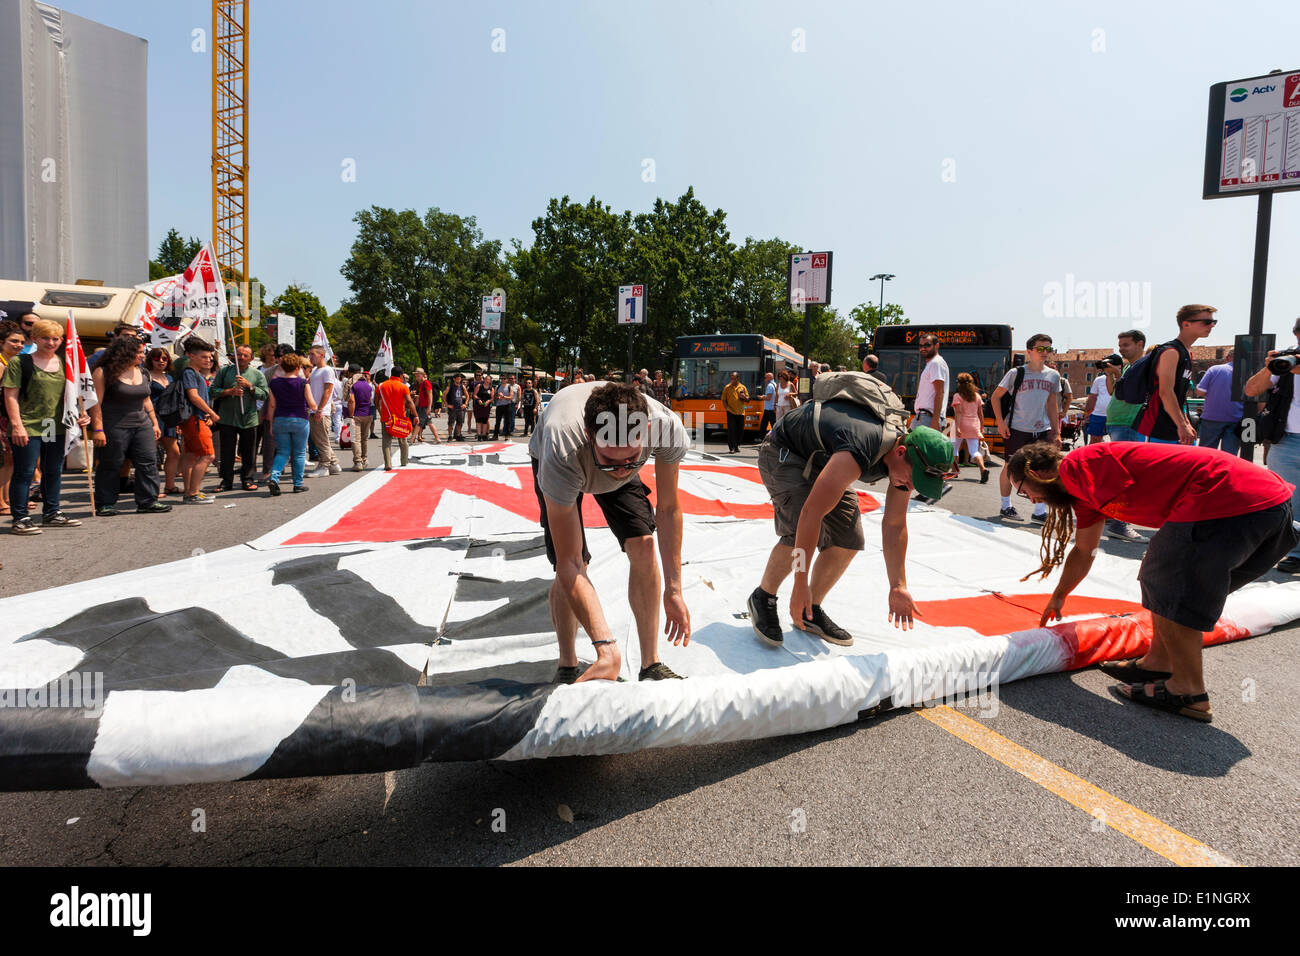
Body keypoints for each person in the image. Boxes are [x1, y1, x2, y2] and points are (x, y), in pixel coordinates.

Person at [1011, 441, 1297, 722]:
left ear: (1037, 473)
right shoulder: (1081, 490)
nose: (1032, 500)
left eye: (1024, 492)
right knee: (1166, 579)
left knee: (1171, 582)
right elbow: (1085, 549)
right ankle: (1158, 662)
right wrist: (1060, 595)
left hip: (1230, 499)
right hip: (1268, 506)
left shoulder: (1079, 466)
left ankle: (1188, 691)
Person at [747, 374, 953, 647]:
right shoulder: (862, 444)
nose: (909, 486)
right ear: (901, 451)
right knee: (799, 528)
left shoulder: (903, 466)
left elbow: (894, 525)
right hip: (785, 452)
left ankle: (811, 610)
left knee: (849, 538)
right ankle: (763, 597)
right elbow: (811, 514)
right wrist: (800, 583)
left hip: (826, 459)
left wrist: (898, 585)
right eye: (912, 479)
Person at [529, 381, 691, 683]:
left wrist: (675, 589)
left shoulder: (665, 427)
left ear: (645, 433)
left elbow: (668, 510)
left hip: (602, 453)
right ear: (591, 437)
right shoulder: (562, 446)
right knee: (576, 565)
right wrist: (606, 647)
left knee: (643, 544)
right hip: (568, 462)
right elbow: (570, 562)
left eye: (632, 459)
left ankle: (651, 664)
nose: (621, 469)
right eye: (612, 461)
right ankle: (568, 663)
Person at [2, 318, 90, 533]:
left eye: (55, 339)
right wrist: (17, 425)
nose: (51, 343)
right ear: (34, 338)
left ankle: (51, 513)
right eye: (45, 338)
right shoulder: (20, 362)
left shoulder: (65, 364)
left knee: (53, 470)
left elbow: (74, 395)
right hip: (29, 425)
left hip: (55, 426)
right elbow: (10, 396)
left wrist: (82, 414)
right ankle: (20, 518)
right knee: (25, 471)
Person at [87, 335, 170, 516]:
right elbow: (95, 404)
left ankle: (148, 501)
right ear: (126, 352)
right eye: (139, 352)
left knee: (148, 462)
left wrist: (154, 423)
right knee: (111, 464)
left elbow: (146, 399)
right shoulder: (103, 372)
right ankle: (105, 503)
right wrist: (98, 429)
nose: (143, 355)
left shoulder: (143, 371)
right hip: (113, 425)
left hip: (142, 424)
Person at [1243, 320, 1300, 572]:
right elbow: (1251, 389)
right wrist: (1270, 368)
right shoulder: (1288, 361)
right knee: (1289, 500)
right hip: (1287, 440)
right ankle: (1295, 553)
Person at [990, 333, 1060, 522]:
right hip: (1018, 428)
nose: (1045, 352)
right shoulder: (1016, 373)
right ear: (1029, 351)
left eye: (1048, 348)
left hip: (1042, 429)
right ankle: (1006, 506)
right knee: (1010, 467)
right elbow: (995, 397)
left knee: (1045, 469)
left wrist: (1056, 431)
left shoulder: (1053, 375)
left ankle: (1039, 511)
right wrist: (1000, 422)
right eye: (1041, 348)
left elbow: (1052, 404)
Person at [1135, 305, 1215, 444]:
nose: (1212, 325)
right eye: (1206, 322)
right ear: (1186, 324)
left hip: (1176, 428)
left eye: (1214, 322)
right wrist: (1182, 425)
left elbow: (1178, 396)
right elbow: (1165, 392)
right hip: (1158, 428)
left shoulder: (1186, 353)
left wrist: (1185, 422)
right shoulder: (1171, 352)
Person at [211, 345, 268, 492]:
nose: (241, 358)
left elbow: (264, 394)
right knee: (227, 451)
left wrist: (250, 386)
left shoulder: (257, 374)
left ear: (250, 358)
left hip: (248, 419)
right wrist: (229, 391)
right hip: (227, 418)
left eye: (245, 355)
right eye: (238, 354)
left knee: (249, 452)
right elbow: (213, 391)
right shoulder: (224, 372)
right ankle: (226, 481)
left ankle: (247, 479)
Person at [265, 352, 316, 494]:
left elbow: (272, 405)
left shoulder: (274, 383)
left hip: (280, 419)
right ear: (298, 367)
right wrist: (318, 409)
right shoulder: (303, 383)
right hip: (300, 419)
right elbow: (312, 404)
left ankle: (274, 478)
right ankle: (297, 484)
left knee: (282, 452)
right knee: (299, 454)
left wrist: (270, 425)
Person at [177, 338, 219, 504]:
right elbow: (193, 396)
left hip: (195, 418)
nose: (208, 360)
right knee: (208, 455)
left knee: (191, 455)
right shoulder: (190, 373)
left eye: (209, 357)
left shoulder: (196, 373)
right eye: (204, 357)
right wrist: (211, 412)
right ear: (190, 356)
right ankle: (193, 493)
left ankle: (189, 492)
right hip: (194, 419)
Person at [0, 320, 27, 517]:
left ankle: (8, 498)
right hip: (1, 417)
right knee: (4, 459)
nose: (18, 345)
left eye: (21, 342)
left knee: (10, 458)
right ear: (2, 342)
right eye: (13, 341)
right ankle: (1, 502)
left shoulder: (12, 362)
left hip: (7, 416)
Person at [304, 345, 343, 477]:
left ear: (321, 355)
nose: (310, 357)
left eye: (312, 354)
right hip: (315, 410)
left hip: (321, 411)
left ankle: (324, 465)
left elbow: (328, 390)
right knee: (320, 439)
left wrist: (320, 409)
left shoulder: (327, 370)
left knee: (321, 440)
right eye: (309, 354)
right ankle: (333, 463)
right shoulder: (315, 370)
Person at [1195, 358, 1243, 455]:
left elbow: (1200, 391)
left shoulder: (1214, 369)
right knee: (1229, 456)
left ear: (1228, 357)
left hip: (1212, 417)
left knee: (1206, 454)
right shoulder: (1248, 372)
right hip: (1236, 418)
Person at [950, 372, 989, 483]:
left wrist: (957, 428)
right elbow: (981, 414)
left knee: (954, 449)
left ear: (959, 384)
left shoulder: (957, 396)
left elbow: (958, 412)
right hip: (974, 425)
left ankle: (954, 471)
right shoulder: (977, 396)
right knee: (974, 451)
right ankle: (983, 468)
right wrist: (981, 427)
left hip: (960, 425)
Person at [377, 364, 418, 470]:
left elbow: (376, 401)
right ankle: (404, 461)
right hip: (400, 418)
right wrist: (415, 415)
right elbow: (409, 402)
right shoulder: (403, 387)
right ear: (401, 375)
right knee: (403, 441)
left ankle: (388, 464)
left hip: (386, 417)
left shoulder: (381, 386)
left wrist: (380, 411)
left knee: (386, 442)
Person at [912, 334, 950, 432]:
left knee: (906, 445)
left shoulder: (936, 363)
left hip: (928, 418)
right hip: (924, 417)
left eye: (927, 345)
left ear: (937, 346)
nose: (923, 348)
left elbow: (940, 392)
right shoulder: (932, 364)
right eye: (921, 346)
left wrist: (935, 419)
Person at [1083, 354, 1120, 445]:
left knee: (1117, 443)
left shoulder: (1123, 378)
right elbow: (1092, 397)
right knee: (1094, 441)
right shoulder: (1098, 380)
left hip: (1117, 415)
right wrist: (1086, 412)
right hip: (1098, 414)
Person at [348, 368, 374, 470]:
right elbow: (370, 400)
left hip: (357, 415)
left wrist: (350, 416)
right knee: (364, 438)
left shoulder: (353, 386)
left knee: (355, 439)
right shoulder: (368, 386)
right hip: (367, 414)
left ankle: (358, 462)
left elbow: (351, 401)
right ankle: (364, 459)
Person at [721, 371, 749, 454]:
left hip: (741, 412)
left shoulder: (743, 387)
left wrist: (744, 397)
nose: (732, 380)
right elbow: (723, 399)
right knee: (731, 430)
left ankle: (737, 446)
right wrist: (727, 408)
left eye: (734, 378)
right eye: (731, 378)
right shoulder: (727, 387)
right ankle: (732, 447)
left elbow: (748, 400)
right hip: (731, 412)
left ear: (738, 378)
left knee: (740, 430)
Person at [444, 372, 468, 441]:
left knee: (460, 422)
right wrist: (447, 404)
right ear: (454, 379)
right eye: (457, 379)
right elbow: (443, 395)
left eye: (459, 379)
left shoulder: (462, 386)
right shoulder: (450, 387)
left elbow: (467, 396)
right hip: (453, 407)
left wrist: (465, 404)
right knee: (451, 423)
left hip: (460, 407)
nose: (458, 380)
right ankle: (450, 436)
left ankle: (458, 435)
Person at [413, 368, 433, 442]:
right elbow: (419, 396)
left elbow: (430, 395)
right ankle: (416, 437)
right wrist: (414, 406)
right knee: (428, 423)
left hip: (425, 407)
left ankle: (413, 438)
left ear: (423, 375)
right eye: (416, 376)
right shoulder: (420, 384)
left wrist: (429, 406)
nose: (416, 378)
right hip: (421, 406)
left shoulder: (426, 383)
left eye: (418, 376)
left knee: (420, 423)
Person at [473, 374, 494, 439]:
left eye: (489, 379)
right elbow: (474, 395)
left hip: (486, 406)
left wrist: (488, 401)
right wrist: (478, 400)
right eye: (486, 379)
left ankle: (484, 435)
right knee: (479, 420)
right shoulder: (479, 386)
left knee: (485, 420)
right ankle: (479, 435)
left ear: (490, 381)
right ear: (484, 380)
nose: (487, 380)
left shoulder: (491, 388)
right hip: (479, 405)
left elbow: (492, 398)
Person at [758, 371, 777, 436]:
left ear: (769, 378)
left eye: (765, 377)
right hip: (772, 407)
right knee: (769, 423)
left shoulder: (769, 385)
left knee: (765, 423)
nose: (764, 379)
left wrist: (761, 397)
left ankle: (761, 437)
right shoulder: (775, 384)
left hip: (769, 408)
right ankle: (762, 436)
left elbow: (768, 398)